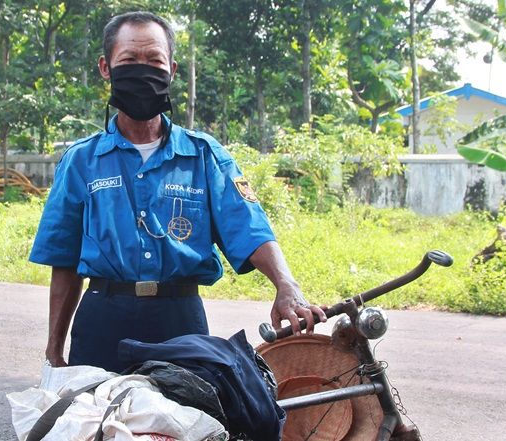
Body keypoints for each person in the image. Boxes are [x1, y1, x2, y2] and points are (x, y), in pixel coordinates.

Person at [29, 11, 326, 373]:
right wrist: (54, 348)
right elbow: (64, 260)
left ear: (171, 69)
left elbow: (248, 227)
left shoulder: (204, 156)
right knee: (96, 424)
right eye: (129, 61)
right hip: (102, 319)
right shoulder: (81, 161)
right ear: (106, 68)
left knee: (189, 424)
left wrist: (286, 285)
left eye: (154, 60)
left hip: (180, 321)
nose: (143, 70)